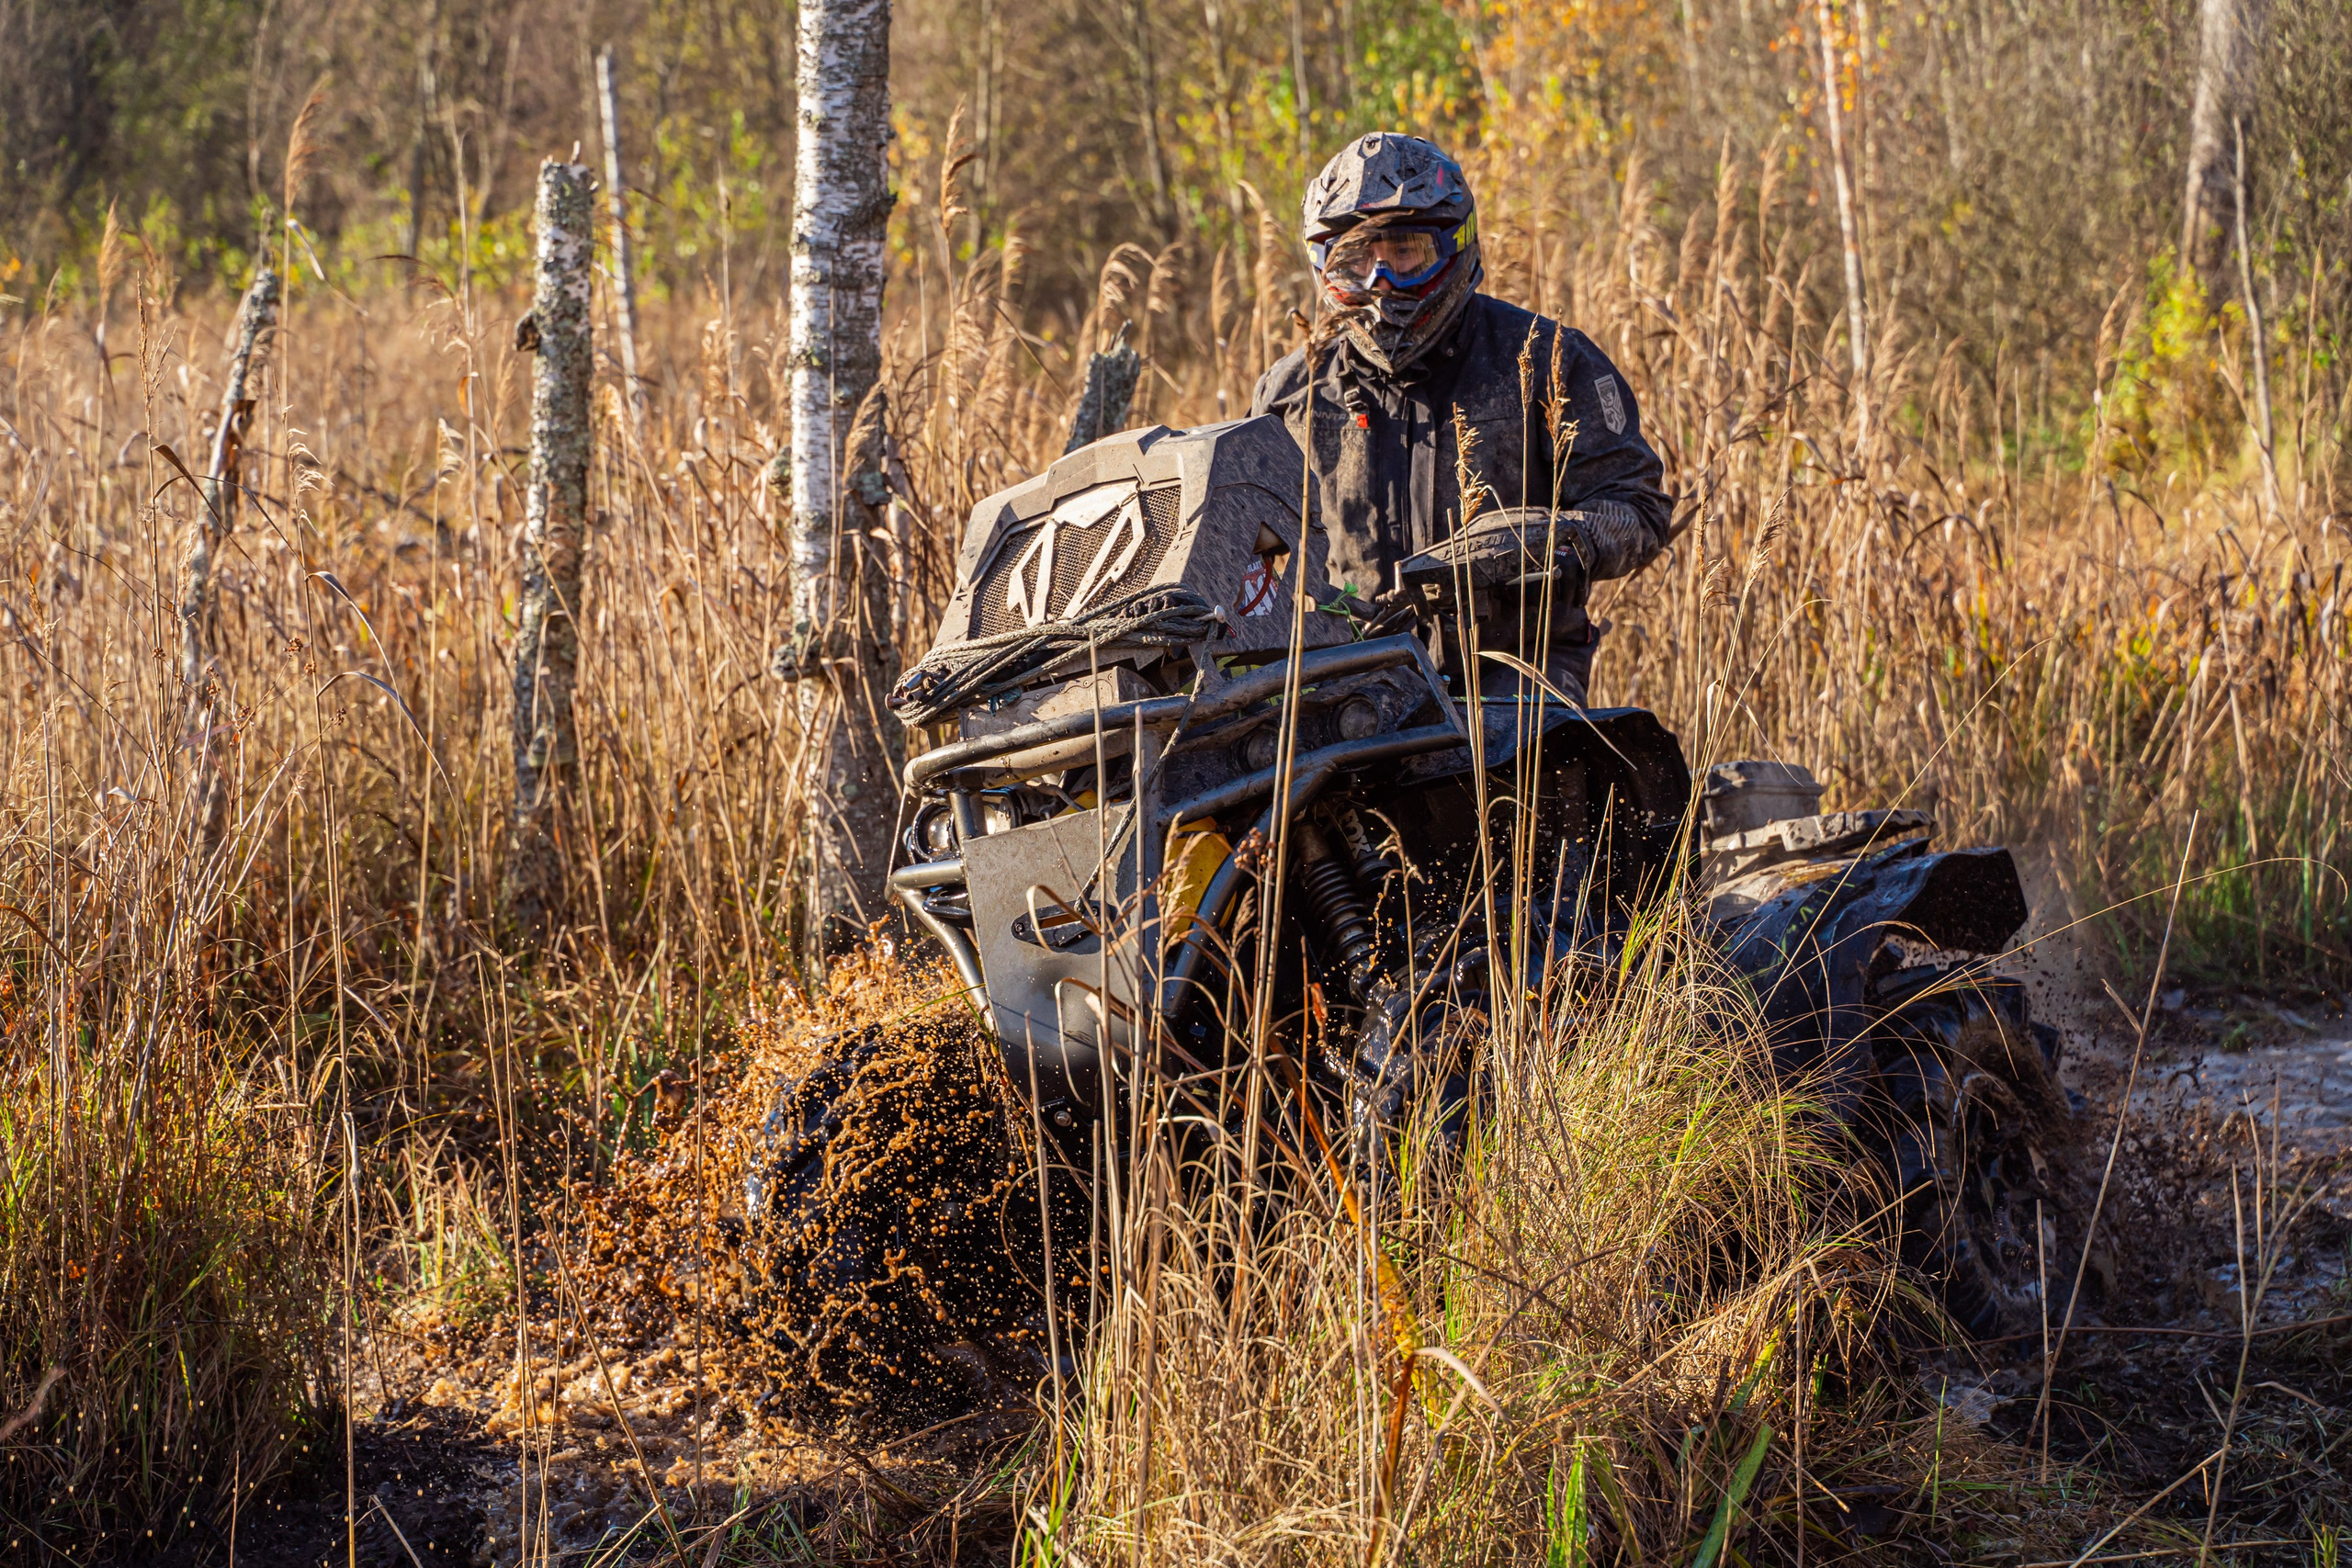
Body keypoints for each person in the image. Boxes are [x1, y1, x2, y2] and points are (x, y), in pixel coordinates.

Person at [1250, 132, 1675, 702]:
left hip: (1516, 669)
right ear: (1324, 265)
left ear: (1455, 245)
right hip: (1347, 678)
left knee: (1515, 747)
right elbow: (1245, 539)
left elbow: (1639, 510)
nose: (1381, 281)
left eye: (1406, 253)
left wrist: (1545, 541)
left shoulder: (1545, 360)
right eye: (1356, 261)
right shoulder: (1292, 392)